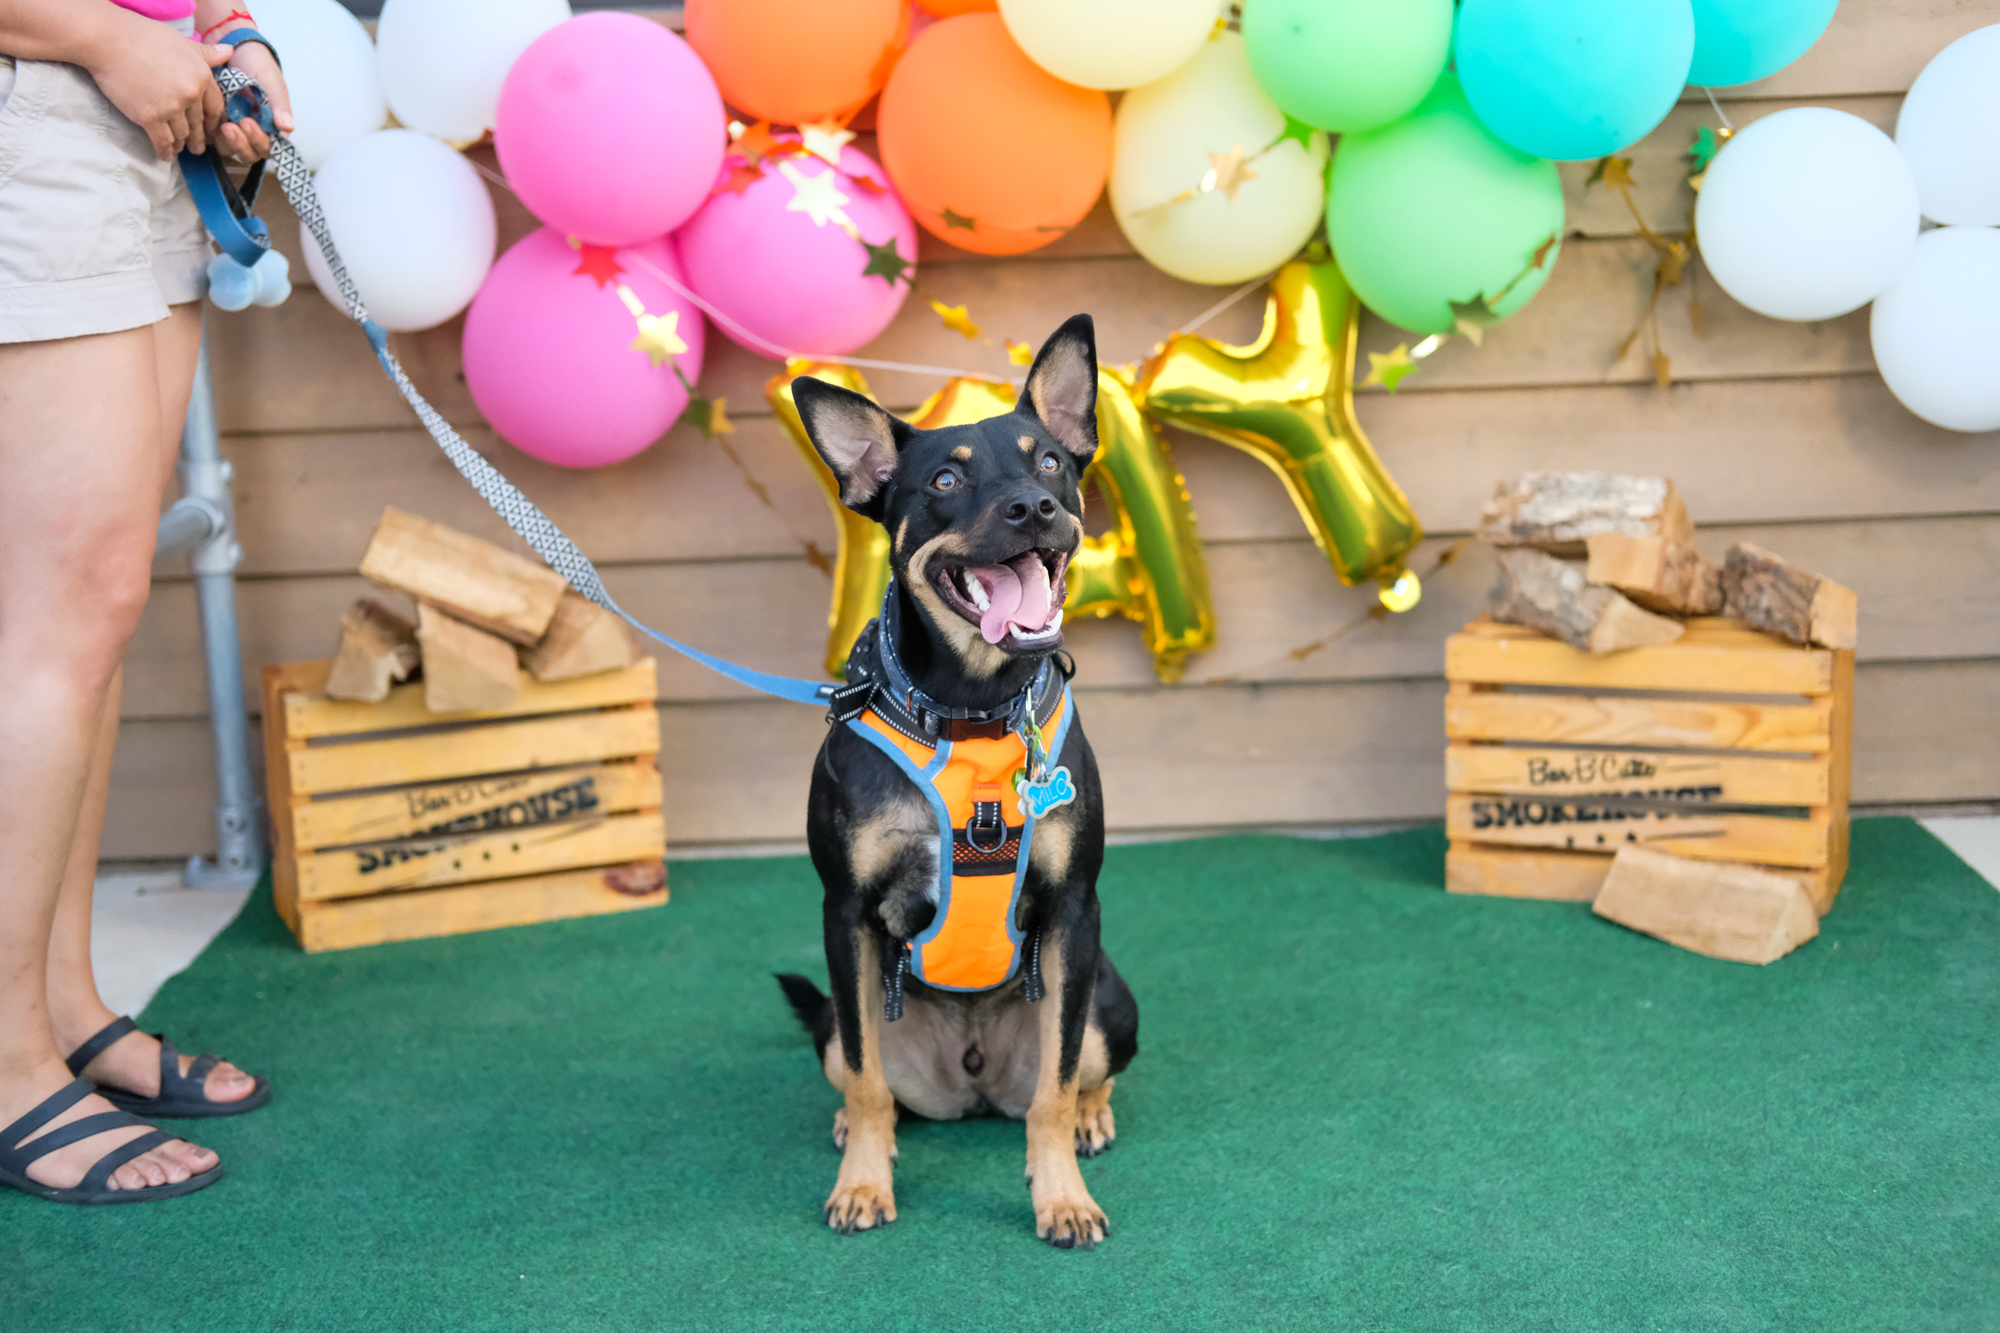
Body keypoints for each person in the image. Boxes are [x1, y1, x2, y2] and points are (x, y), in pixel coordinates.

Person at [0, 0, 292, 1203]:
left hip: (147, 114)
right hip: (44, 100)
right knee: (52, 619)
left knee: (97, 605)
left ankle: (62, 1005)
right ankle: (5, 1062)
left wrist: (229, 29)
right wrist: (92, 32)